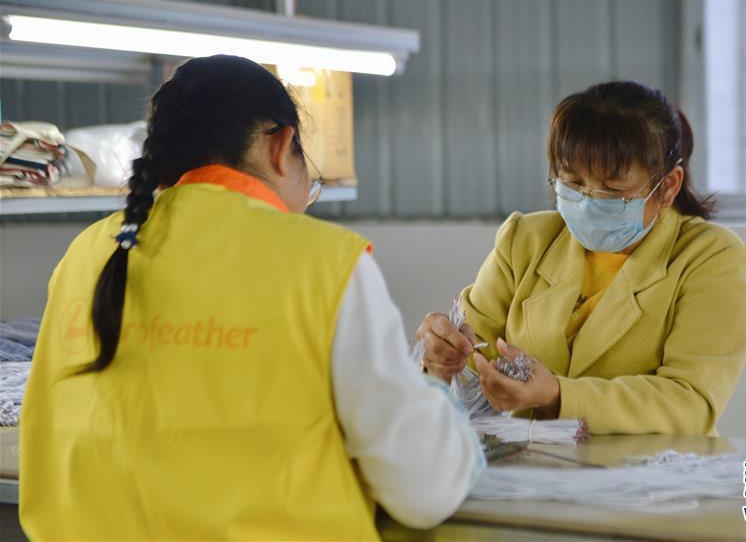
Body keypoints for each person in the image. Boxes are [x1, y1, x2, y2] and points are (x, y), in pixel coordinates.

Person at [19, 55, 484, 540]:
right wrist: (443, 411)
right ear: (280, 146)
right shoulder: (323, 264)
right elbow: (422, 489)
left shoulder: (88, 253)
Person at [417, 81, 746, 436]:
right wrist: (440, 356)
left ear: (668, 186)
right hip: (531, 473)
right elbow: (472, 358)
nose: (590, 200)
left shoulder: (712, 258)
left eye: (612, 189)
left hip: (651, 480)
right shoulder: (525, 241)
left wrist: (559, 396)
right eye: (574, 182)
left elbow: (690, 402)